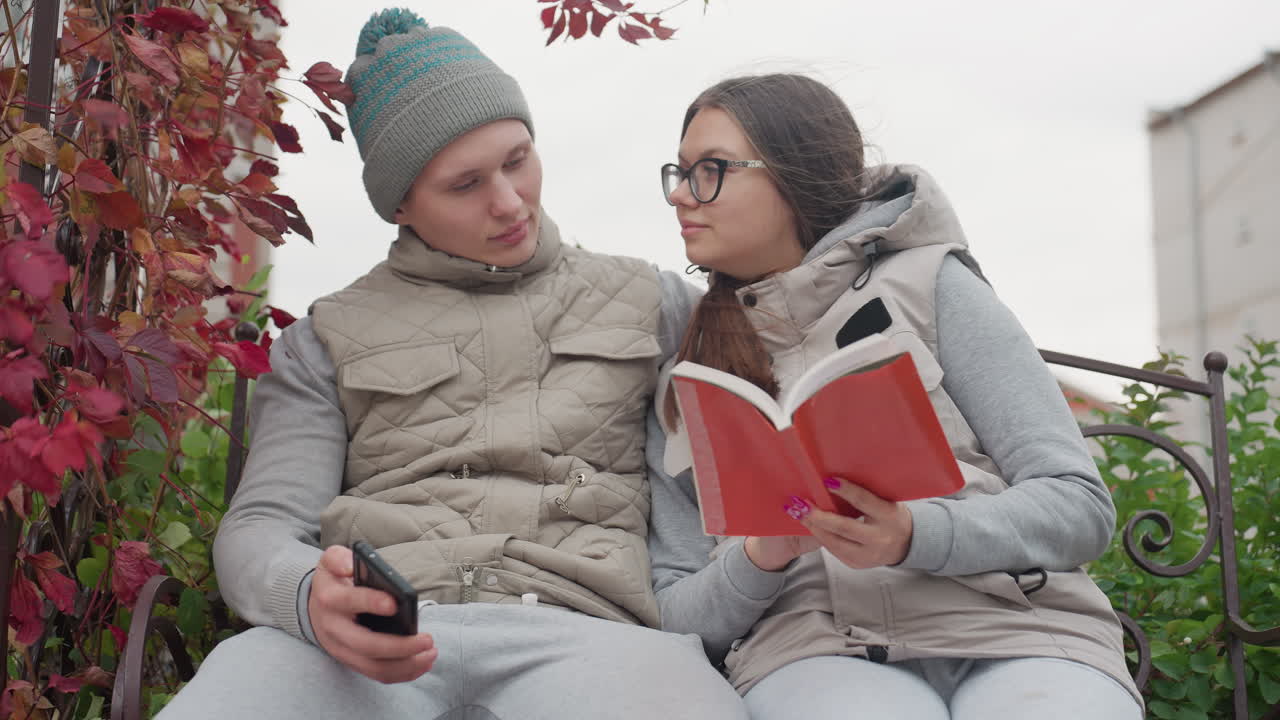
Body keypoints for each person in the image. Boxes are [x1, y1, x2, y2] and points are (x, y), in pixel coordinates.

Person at [157, 9, 747, 719]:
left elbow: (704, 513)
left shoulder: (653, 303)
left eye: (518, 160)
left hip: (594, 637)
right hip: (367, 642)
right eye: (465, 185)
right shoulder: (326, 337)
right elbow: (259, 528)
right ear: (401, 203)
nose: (509, 203)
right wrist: (310, 596)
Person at [647, 73, 1144, 720]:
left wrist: (916, 534)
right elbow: (676, 611)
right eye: (678, 173)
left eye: (710, 170)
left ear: (792, 173)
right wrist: (759, 556)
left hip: (1019, 631)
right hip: (812, 654)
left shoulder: (930, 284)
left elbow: (1077, 505)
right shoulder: (691, 374)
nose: (682, 195)